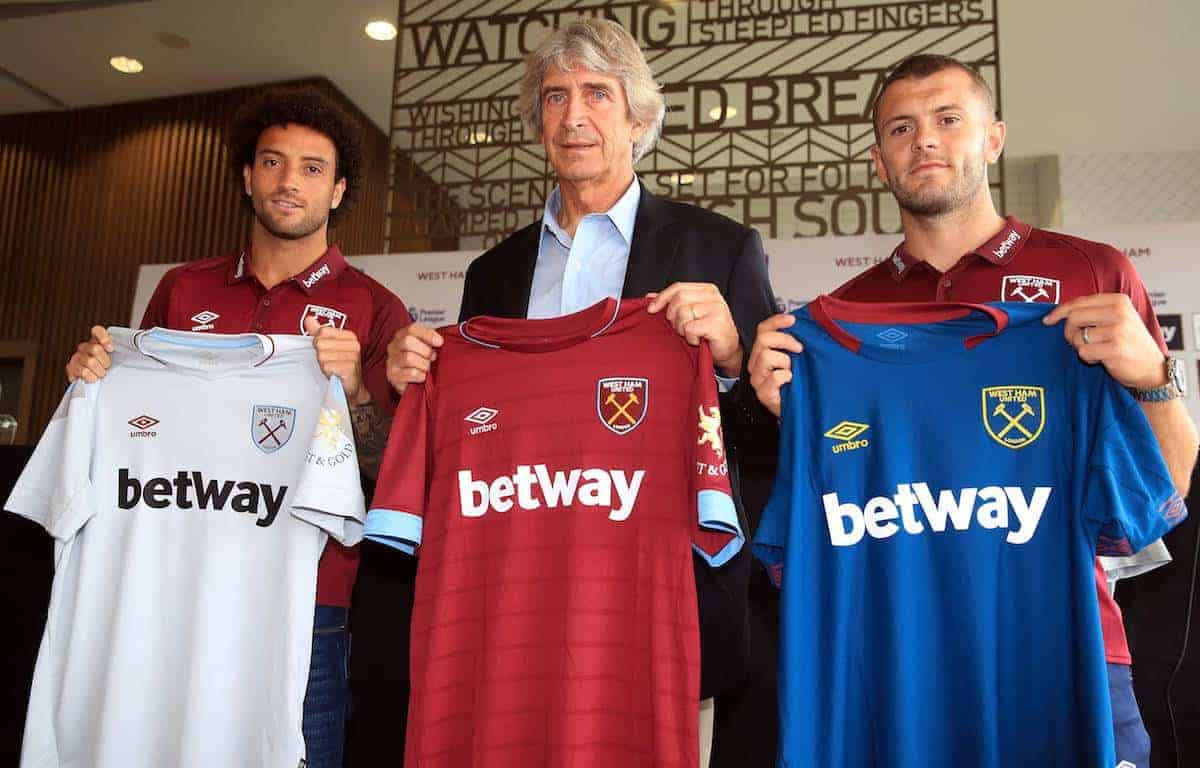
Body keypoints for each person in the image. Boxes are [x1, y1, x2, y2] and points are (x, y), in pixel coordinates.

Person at [747, 53, 1199, 767]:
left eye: (948, 119)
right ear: (878, 160)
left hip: (1062, 653)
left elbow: (1161, 491)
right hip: (892, 671)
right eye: (902, 127)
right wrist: (792, 415)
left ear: (992, 138)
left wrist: (1154, 379)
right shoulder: (835, 324)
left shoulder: (1093, 274)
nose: (925, 140)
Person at [384, 17, 776, 765]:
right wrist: (415, 382)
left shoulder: (720, 247)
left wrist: (730, 358)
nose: (575, 116)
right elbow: (471, 449)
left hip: (660, 605)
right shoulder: (491, 276)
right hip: (517, 603)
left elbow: (770, 443)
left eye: (598, 93)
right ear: (538, 125)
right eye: (556, 97)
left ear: (638, 116)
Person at [62, 85, 411, 768]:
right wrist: (90, 380)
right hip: (174, 587)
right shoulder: (183, 290)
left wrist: (353, 393)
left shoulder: (374, 307)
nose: (289, 182)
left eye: (313, 168)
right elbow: (135, 429)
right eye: (273, 162)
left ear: (338, 191)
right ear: (248, 177)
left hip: (307, 606)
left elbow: (389, 471)